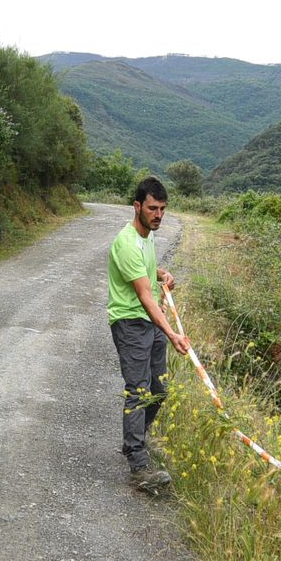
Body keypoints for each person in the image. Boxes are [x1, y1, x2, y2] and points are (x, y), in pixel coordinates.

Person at [107, 176, 190, 491]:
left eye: (163, 209)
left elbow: (144, 269)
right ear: (137, 206)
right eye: (152, 208)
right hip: (130, 322)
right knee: (139, 390)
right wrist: (173, 334)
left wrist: (161, 274)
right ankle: (138, 465)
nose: (158, 215)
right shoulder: (126, 242)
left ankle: (135, 439)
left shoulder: (148, 237)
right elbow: (143, 295)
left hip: (148, 320)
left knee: (160, 389)